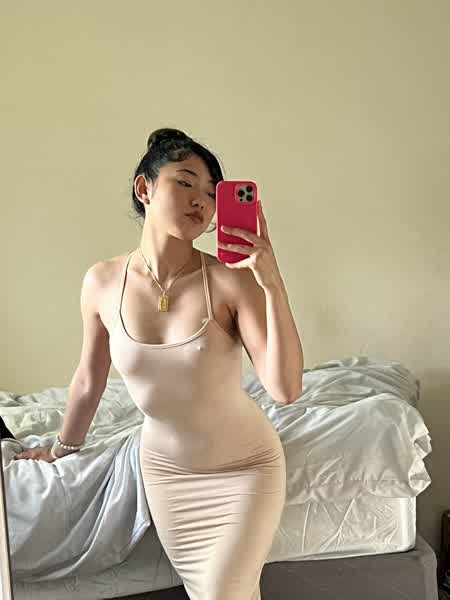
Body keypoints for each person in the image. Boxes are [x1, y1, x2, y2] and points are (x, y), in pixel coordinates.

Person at [14, 128, 304, 599]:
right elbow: (89, 379)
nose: (200, 201)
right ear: (143, 188)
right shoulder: (102, 282)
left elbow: (285, 389)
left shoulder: (230, 281)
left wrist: (271, 281)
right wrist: (60, 449)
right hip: (168, 477)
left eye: (211, 193)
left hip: (244, 469)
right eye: (184, 182)